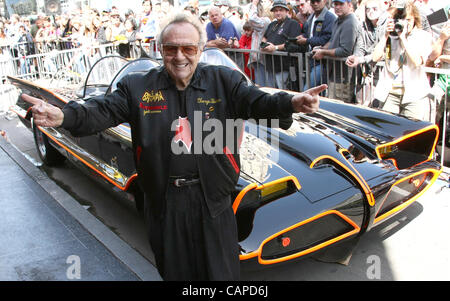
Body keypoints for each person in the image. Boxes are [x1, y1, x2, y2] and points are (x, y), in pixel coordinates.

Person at [20, 13, 326, 281]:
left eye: (188, 48)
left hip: (214, 203)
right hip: (165, 205)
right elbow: (98, 111)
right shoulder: (139, 87)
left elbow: (258, 101)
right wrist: (64, 116)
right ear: (160, 50)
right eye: (171, 48)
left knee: (220, 276)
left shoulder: (224, 80)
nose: (180, 56)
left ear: (201, 49)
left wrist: (293, 102)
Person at [372, 0, 434, 121]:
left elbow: (417, 61)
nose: (405, 23)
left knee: (412, 133)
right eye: (401, 20)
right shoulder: (390, 35)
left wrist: (403, 38)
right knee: (388, 130)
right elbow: (375, 57)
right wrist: (385, 36)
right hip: (390, 93)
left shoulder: (423, 36)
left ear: (415, 19)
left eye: (408, 20)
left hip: (414, 95)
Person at [312, 0, 360, 102]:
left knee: (338, 110)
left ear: (349, 5)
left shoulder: (350, 21)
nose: (337, 7)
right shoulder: (338, 20)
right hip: (333, 74)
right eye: (336, 4)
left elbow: (345, 51)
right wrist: (322, 48)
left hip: (343, 78)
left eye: (341, 4)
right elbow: (333, 41)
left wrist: (323, 52)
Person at [346, 0, 386, 106]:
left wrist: (361, 59)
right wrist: (355, 57)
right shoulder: (362, 26)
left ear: (382, 10)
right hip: (366, 72)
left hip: (383, 73)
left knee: (379, 107)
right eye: (368, 9)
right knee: (361, 104)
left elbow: (384, 54)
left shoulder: (387, 26)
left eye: (375, 9)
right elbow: (360, 47)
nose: (371, 12)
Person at [261, 0, 302, 89]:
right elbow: (265, 36)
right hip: (270, 65)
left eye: (280, 10)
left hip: (285, 66)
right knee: (271, 92)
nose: (278, 13)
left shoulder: (293, 23)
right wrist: (264, 44)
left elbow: (293, 43)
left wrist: (275, 48)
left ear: (287, 11)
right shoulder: (272, 24)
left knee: (284, 92)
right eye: (275, 10)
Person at [296, 0, 336, 90]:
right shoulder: (311, 17)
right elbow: (309, 34)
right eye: (313, 1)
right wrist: (302, 37)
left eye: (318, 1)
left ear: (325, 1)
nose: (315, 4)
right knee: (314, 92)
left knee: (307, 90)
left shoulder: (330, 18)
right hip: (311, 60)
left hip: (322, 62)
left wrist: (307, 40)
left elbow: (327, 39)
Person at [248, 0, 272, 86]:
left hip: (262, 59)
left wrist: (254, 3)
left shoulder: (266, 21)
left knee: (265, 88)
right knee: (260, 87)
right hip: (257, 58)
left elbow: (251, 18)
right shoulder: (264, 21)